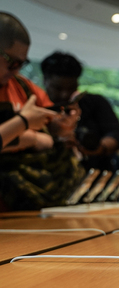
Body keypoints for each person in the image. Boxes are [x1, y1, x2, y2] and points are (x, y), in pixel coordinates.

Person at [0, 12, 83, 211]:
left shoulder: (24, 88)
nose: (16, 69)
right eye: (11, 61)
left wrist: (61, 125)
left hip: (26, 202)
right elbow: (35, 134)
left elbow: (50, 129)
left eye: (22, 63)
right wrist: (26, 127)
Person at [41, 52, 119, 173]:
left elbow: (116, 134)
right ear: (45, 80)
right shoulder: (37, 108)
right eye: (58, 88)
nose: (65, 94)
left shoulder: (93, 103)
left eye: (71, 88)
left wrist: (95, 149)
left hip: (93, 177)